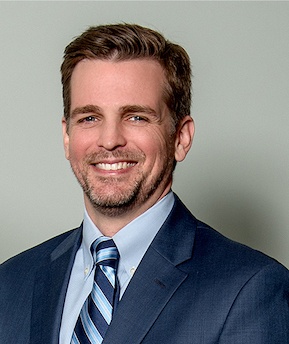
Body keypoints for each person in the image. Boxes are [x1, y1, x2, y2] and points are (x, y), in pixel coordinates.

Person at [0, 23, 289, 344]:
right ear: (67, 138)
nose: (109, 140)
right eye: (89, 118)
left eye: (136, 117)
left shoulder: (248, 290)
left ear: (181, 137)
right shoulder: (11, 282)